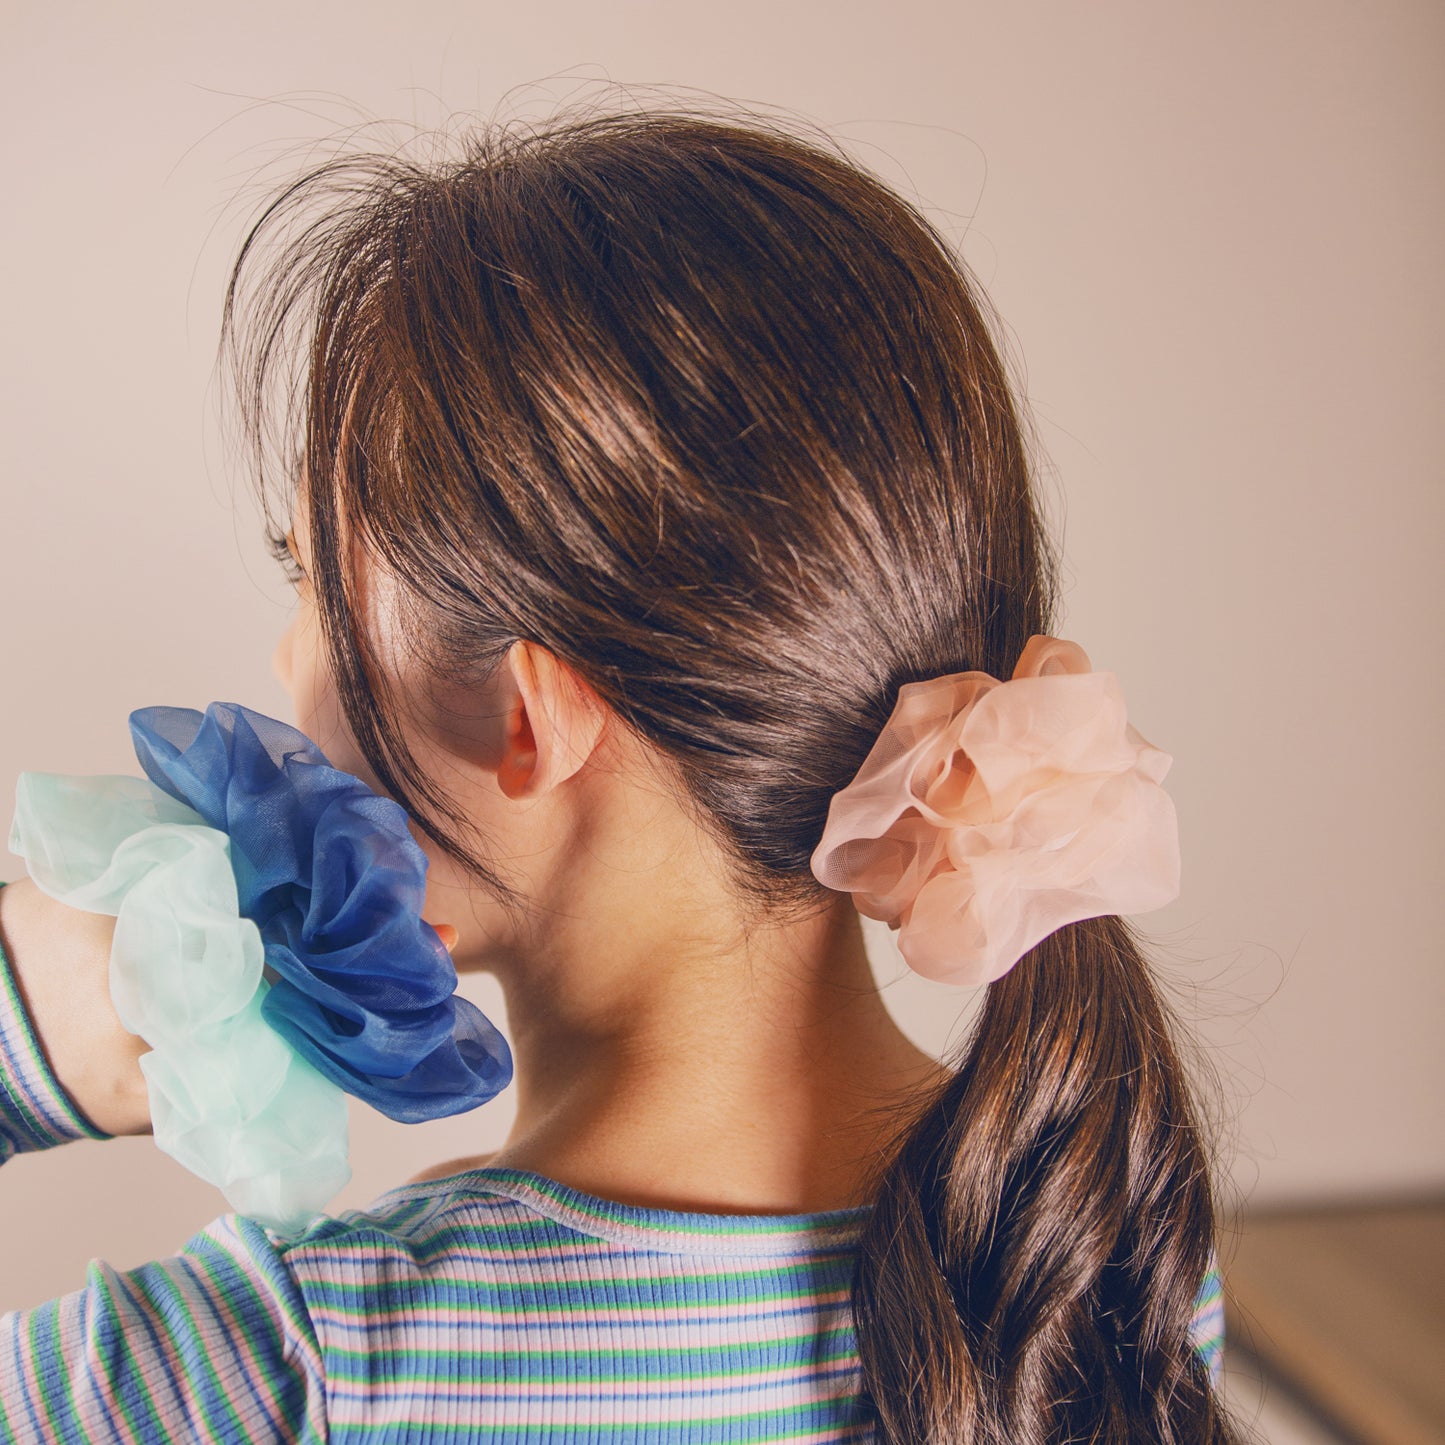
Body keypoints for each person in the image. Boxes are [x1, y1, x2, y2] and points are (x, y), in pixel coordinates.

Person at [0, 100, 1237, 1443]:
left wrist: (30, 1027)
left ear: (529, 723)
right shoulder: (1088, 1267)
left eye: (313, 578)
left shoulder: (271, 1372)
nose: (287, 654)